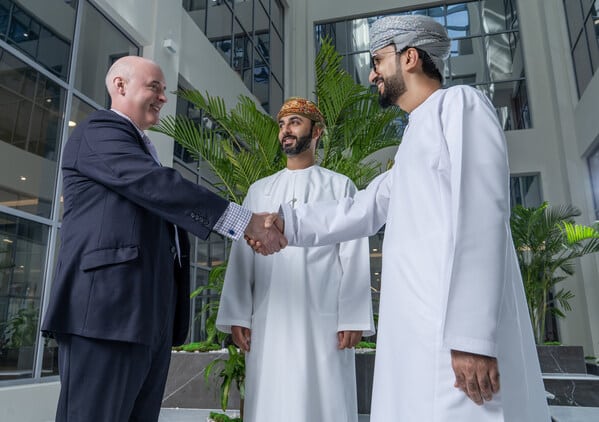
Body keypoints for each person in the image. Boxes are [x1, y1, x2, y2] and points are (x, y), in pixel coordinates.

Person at [261, 15, 550, 421]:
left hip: (455, 335)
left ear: (409, 57)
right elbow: (362, 208)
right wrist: (286, 223)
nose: (372, 75)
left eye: (378, 61)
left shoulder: (459, 105)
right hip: (418, 332)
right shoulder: (413, 137)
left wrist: (472, 337)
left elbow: (482, 216)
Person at [40, 55, 285, 422]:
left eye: (165, 90)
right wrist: (244, 221)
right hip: (105, 317)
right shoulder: (98, 131)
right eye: (154, 87)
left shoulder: (141, 150)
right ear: (120, 86)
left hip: (145, 322)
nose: (163, 98)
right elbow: (158, 187)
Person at [216, 97, 374, 422]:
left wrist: (352, 318)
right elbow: (242, 257)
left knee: (325, 396)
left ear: (316, 132)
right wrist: (238, 314)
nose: (286, 130)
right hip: (270, 317)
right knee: (271, 397)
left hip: (323, 320)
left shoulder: (340, 186)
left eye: (295, 122)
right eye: (282, 124)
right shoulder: (259, 190)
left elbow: (353, 253)